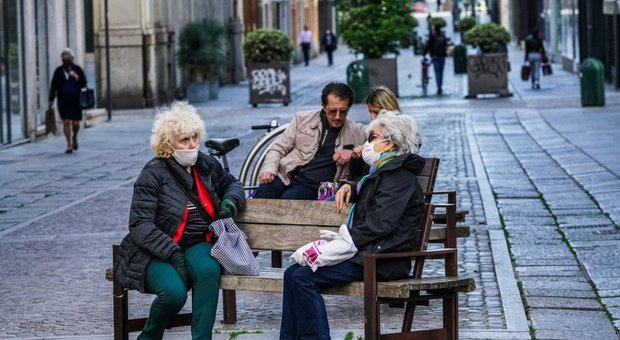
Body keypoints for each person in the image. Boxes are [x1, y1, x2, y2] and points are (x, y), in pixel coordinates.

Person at [279, 113, 426, 339]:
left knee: (303, 277)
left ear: (391, 143)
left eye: (373, 137)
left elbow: (379, 224)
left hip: (382, 259)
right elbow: (371, 192)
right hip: (366, 254)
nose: (367, 143)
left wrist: (341, 245)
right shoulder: (381, 173)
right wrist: (350, 185)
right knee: (292, 274)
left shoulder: (399, 178)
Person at [113, 101, 245, 340]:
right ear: (167, 144)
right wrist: (173, 254)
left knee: (208, 270)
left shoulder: (204, 164)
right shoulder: (152, 174)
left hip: (197, 242)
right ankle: (148, 337)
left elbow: (233, 183)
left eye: (195, 137)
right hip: (154, 251)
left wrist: (230, 202)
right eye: (184, 140)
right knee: (174, 294)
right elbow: (140, 225)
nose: (192, 144)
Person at [254, 82, 366, 200]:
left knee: (290, 199)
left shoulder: (357, 131)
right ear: (324, 106)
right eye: (332, 111)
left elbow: (381, 142)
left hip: (312, 187)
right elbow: (278, 148)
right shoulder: (302, 119)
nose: (337, 116)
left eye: (343, 111)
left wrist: (353, 152)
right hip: (286, 175)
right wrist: (269, 169)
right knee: (265, 190)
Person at [48, 48, 87, 153]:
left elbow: (84, 84)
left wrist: (76, 76)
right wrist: (51, 99)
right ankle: (69, 144)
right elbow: (54, 86)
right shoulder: (58, 71)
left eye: (67, 55)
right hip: (63, 100)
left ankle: (74, 137)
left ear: (72, 57)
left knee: (75, 123)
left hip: (75, 99)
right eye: (63, 55)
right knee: (66, 121)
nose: (65, 57)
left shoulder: (77, 69)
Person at [424, 25, 448, 95]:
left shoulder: (433, 37)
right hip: (442, 56)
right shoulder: (442, 36)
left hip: (435, 56)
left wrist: (424, 53)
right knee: (441, 72)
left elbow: (428, 46)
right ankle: (440, 86)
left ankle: (439, 86)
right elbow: (445, 45)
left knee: (437, 72)